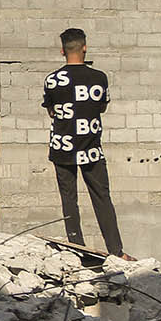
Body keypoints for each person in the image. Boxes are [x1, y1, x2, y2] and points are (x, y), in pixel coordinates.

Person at [42, 28, 128, 259]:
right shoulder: (99, 77)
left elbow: (51, 111)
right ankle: (115, 250)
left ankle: (76, 246)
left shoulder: (52, 80)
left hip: (63, 145)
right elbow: (101, 107)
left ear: (62, 50)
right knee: (102, 197)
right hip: (91, 147)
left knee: (69, 198)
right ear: (85, 47)